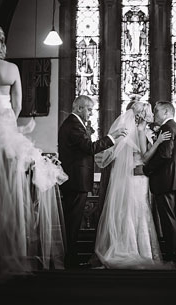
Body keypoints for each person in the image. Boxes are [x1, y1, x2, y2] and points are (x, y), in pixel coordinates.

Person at [0, 24, 67, 278]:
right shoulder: (10, 69)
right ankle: (12, 247)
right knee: (12, 194)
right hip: (6, 131)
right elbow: (19, 105)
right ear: (1, 44)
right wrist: (12, 129)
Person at [93, 99, 172, 269]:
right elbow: (144, 157)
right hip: (138, 177)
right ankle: (139, 250)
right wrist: (158, 143)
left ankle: (123, 245)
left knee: (126, 210)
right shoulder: (141, 131)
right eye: (149, 111)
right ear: (142, 115)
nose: (151, 114)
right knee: (138, 210)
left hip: (128, 176)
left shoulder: (127, 130)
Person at [58, 96, 124, 268]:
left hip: (75, 179)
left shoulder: (73, 124)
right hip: (76, 180)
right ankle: (70, 259)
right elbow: (90, 148)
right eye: (89, 109)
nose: (91, 113)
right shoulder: (73, 125)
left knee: (72, 219)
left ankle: (71, 256)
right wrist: (112, 137)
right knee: (73, 221)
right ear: (79, 108)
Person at [143, 101, 176, 266]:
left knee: (168, 219)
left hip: (166, 180)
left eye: (156, 112)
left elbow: (164, 154)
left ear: (165, 111)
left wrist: (147, 169)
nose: (154, 115)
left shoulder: (167, 128)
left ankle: (172, 255)